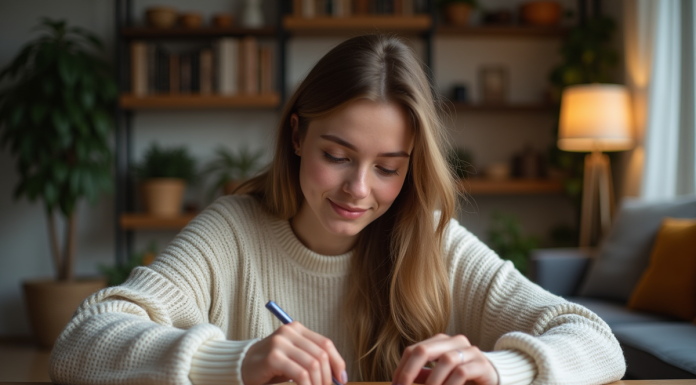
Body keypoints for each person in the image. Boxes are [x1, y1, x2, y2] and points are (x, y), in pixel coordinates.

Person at [49, 34, 625, 385]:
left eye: (389, 167)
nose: (358, 189)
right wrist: (236, 361)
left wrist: (502, 369)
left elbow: (596, 341)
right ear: (297, 136)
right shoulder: (232, 231)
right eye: (337, 155)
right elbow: (80, 343)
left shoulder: (431, 239)